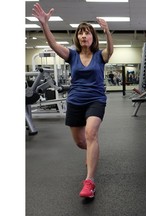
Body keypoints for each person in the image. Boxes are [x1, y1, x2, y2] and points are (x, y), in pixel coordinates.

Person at [32, 3, 113, 198]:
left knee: (91, 133)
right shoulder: (72, 55)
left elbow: (110, 51)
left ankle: (89, 182)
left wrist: (107, 31)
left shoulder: (99, 56)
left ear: (93, 37)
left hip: (96, 99)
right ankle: (92, 152)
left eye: (87, 33)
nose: (84, 36)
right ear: (77, 37)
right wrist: (44, 24)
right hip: (75, 101)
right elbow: (53, 45)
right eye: (80, 33)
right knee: (80, 142)